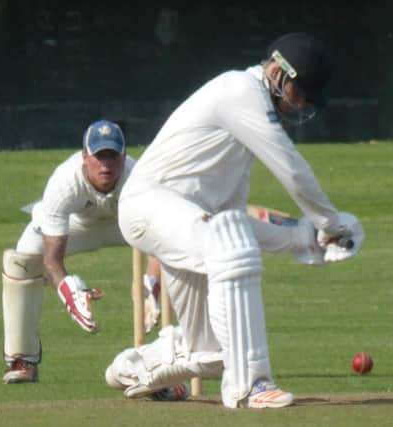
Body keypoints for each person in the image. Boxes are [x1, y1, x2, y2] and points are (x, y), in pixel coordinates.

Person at [104, 33, 362, 409]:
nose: (302, 103)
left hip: (186, 221)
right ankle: (250, 386)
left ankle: (132, 368)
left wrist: (305, 238)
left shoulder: (242, 135)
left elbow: (233, 220)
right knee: (230, 247)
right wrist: (329, 222)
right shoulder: (239, 91)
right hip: (149, 206)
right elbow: (291, 168)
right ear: (277, 72)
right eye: (299, 91)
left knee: (210, 354)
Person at [1, 120, 162, 384]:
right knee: (24, 257)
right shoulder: (64, 181)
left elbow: (160, 238)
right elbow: (51, 258)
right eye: (99, 156)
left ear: (123, 156)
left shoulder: (139, 178)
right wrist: (68, 290)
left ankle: (180, 360)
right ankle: (23, 359)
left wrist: (152, 284)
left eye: (112, 156)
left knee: (181, 247)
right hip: (77, 225)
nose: (106, 165)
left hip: (124, 223)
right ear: (85, 157)